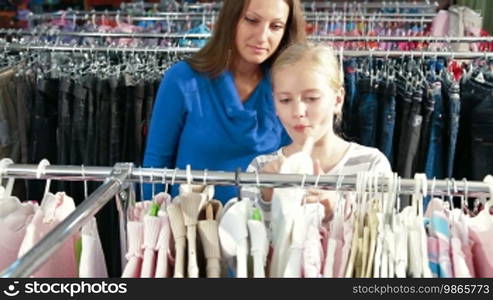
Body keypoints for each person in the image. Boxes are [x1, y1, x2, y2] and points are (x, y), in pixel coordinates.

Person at [143, 0, 306, 203]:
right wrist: (154, 223)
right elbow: (156, 165)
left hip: (264, 228)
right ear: (231, 18)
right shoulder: (183, 79)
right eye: (252, 20)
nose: (263, 37)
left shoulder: (288, 88)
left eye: (276, 26)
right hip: (188, 228)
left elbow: (295, 166)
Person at [244, 43, 392, 223]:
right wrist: (267, 199)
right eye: (285, 100)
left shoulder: (371, 165)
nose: (298, 111)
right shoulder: (261, 169)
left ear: (338, 99)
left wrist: (335, 209)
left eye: (311, 98)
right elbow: (249, 246)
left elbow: (381, 242)